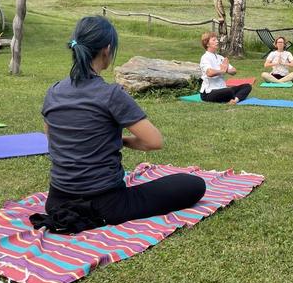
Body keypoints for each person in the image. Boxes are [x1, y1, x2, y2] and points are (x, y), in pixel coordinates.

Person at [38, 16, 206, 233]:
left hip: (56, 201)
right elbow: (154, 142)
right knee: (192, 185)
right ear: (106, 50)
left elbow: (51, 137)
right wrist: (122, 141)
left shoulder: (54, 91)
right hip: (106, 204)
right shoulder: (111, 94)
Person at [199, 32, 251, 104]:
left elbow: (234, 71)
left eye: (217, 39)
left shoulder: (220, 57)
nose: (217, 41)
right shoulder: (205, 57)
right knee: (228, 91)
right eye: (214, 40)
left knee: (247, 86)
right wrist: (221, 71)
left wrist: (226, 70)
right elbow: (209, 73)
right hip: (209, 93)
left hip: (222, 89)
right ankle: (236, 96)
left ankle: (235, 100)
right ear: (207, 44)